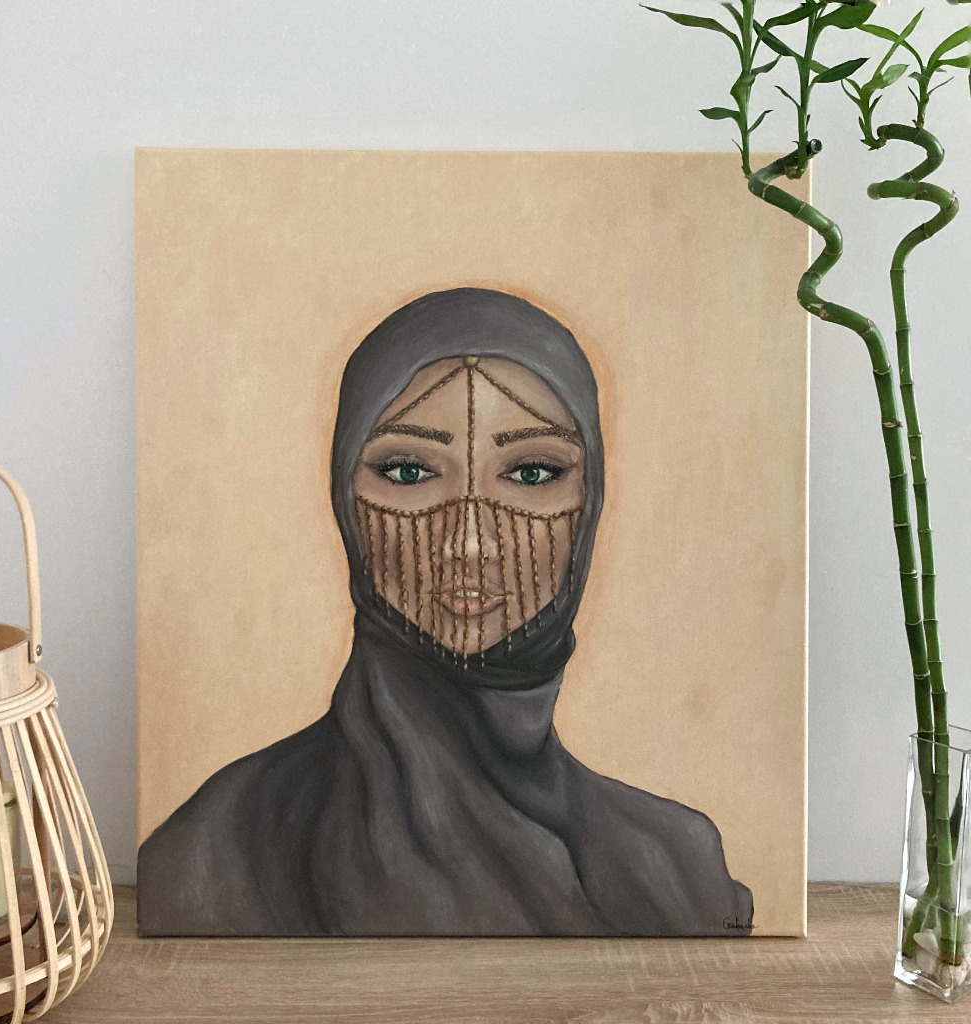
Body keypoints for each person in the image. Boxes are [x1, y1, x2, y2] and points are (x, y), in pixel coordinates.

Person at [137, 287, 753, 937]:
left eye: (532, 473)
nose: (470, 543)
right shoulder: (212, 853)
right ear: (344, 494)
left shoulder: (681, 863)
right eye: (408, 472)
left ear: (591, 497)